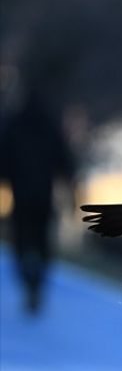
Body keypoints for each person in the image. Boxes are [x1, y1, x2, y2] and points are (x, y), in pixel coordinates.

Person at [0, 89, 76, 313]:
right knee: (42, 243)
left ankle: (28, 280)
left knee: (21, 242)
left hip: (21, 197)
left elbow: (3, 160)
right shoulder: (50, 127)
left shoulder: (14, 125)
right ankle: (37, 283)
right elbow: (66, 163)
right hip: (44, 198)